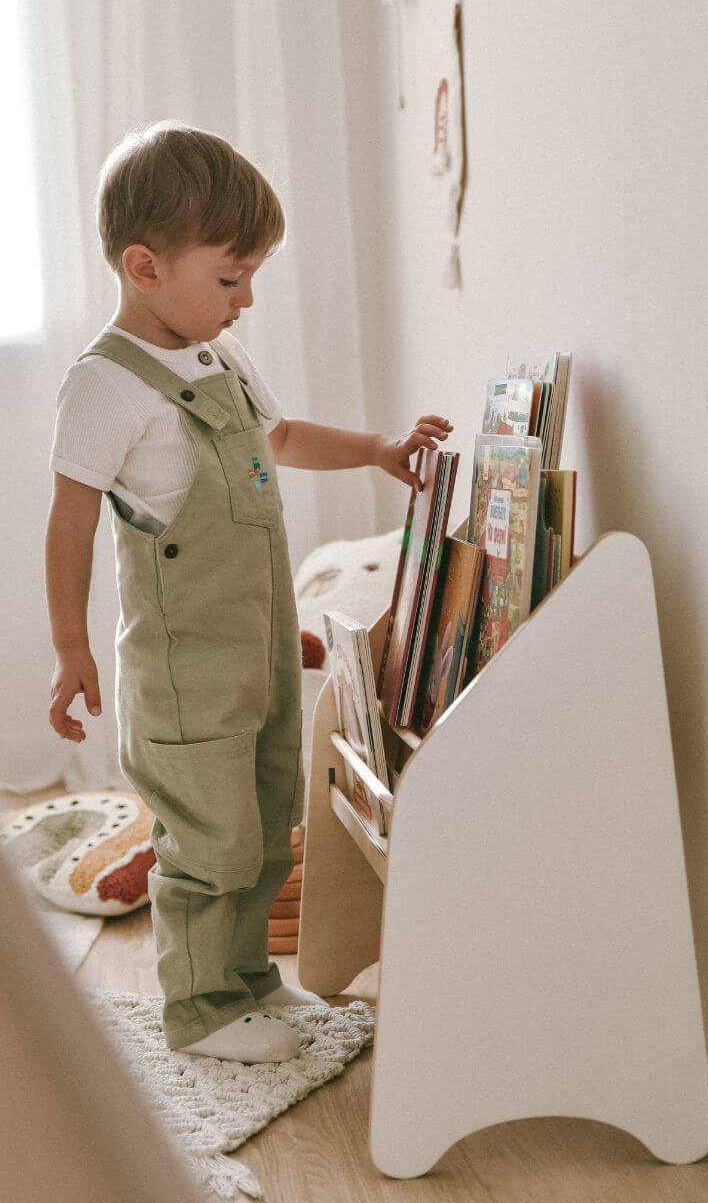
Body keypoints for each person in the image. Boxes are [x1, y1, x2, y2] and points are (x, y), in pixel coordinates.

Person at [44, 121, 452, 1063]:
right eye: (229, 279)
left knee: (268, 824)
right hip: (184, 668)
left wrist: (382, 451)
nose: (246, 300)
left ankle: (247, 982)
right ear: (145, 266)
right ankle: (198, 1009)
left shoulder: (220, 361)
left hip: (256, 650)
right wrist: (71, 650)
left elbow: (287, 437)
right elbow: (69, 522)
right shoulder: (106, 386)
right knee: (208, 838)